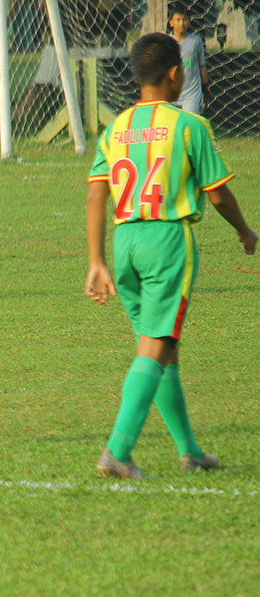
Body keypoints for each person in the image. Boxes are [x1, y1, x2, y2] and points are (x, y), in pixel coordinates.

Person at [85, 32, 256, 479]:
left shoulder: (116, 127)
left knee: (163, 348)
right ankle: (117, 452)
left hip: (125, 245)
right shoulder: (189, 126)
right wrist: (245, 231)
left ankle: (190, 450)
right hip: (166, 241)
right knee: (155, 346)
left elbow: (94, 196)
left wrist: (95, 261)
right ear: (176, 73)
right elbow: (217, 195)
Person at [168, 4, 209, 114]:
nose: (182, 23)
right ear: (171, 22)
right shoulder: (166, 42)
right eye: (178, 20)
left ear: (189, 21)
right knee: (174, 127)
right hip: (172, 95)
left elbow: (202, 66)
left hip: (192, 94)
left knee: (190, 125)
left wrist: (205, 87)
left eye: (184, 20)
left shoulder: (196, 41)